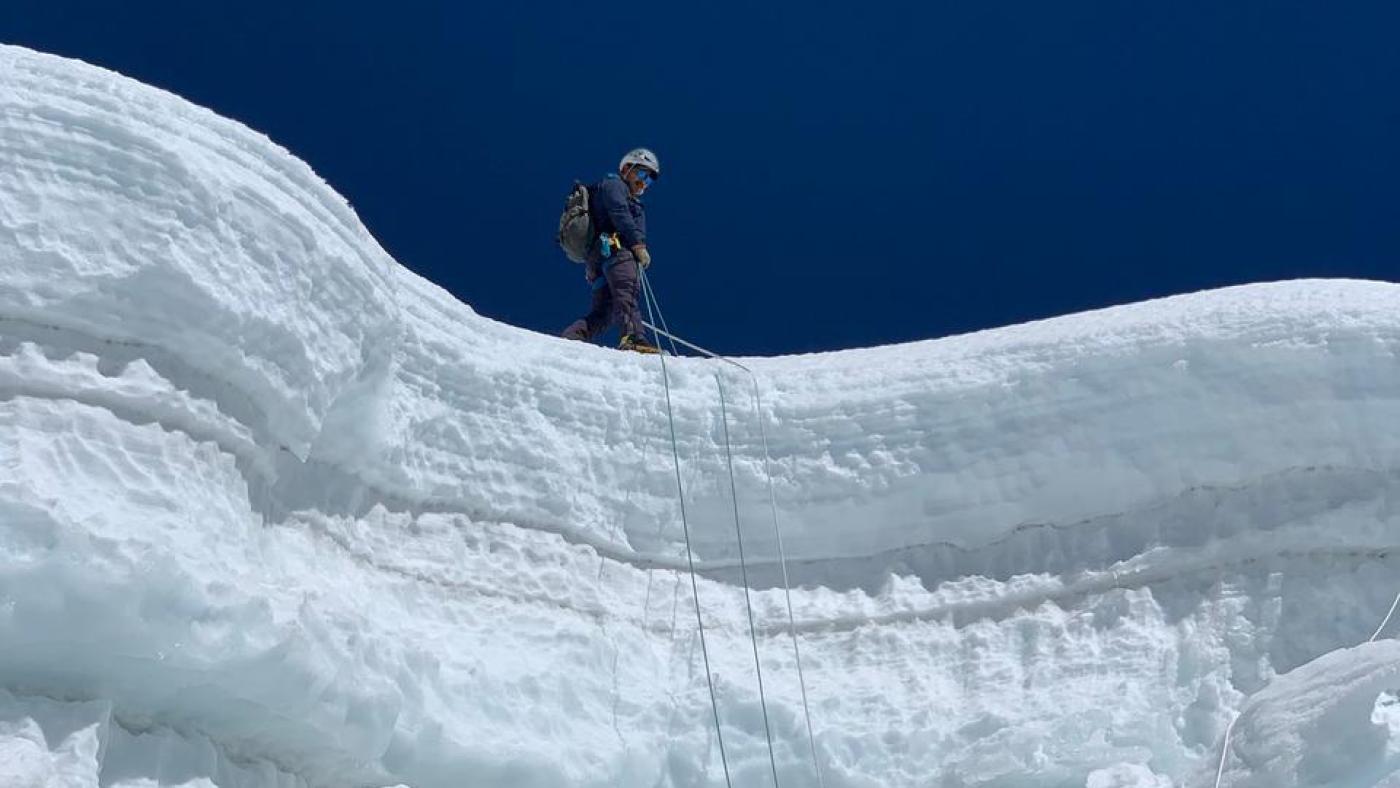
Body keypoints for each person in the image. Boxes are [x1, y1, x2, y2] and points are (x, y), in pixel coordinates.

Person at [562, 148, 661, 353]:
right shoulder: (615, 185)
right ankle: (633, 338)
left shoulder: (613, 189)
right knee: (627, 291)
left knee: (604, 313)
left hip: (598, 260)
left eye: (649, 180)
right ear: (626, 168)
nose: (644, 183)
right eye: (642, 174)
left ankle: (571, 338)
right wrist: (638, 245)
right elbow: (619, 213)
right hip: (617, 250)